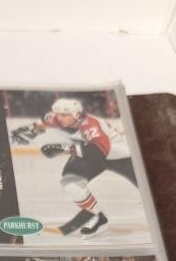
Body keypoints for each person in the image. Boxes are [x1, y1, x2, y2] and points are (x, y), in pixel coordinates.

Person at [11, 96, 137, 237]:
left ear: (76, 115)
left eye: (64, 115)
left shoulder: (91, 124)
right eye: (57, 114)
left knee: (148, 188)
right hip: (89, 152)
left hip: (120, 155)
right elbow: (40, 124)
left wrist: (64, 148)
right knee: (70, 183)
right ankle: (99, 218)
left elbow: (98, 152)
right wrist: (26, 132)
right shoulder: (54, 118)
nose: (59, 118)